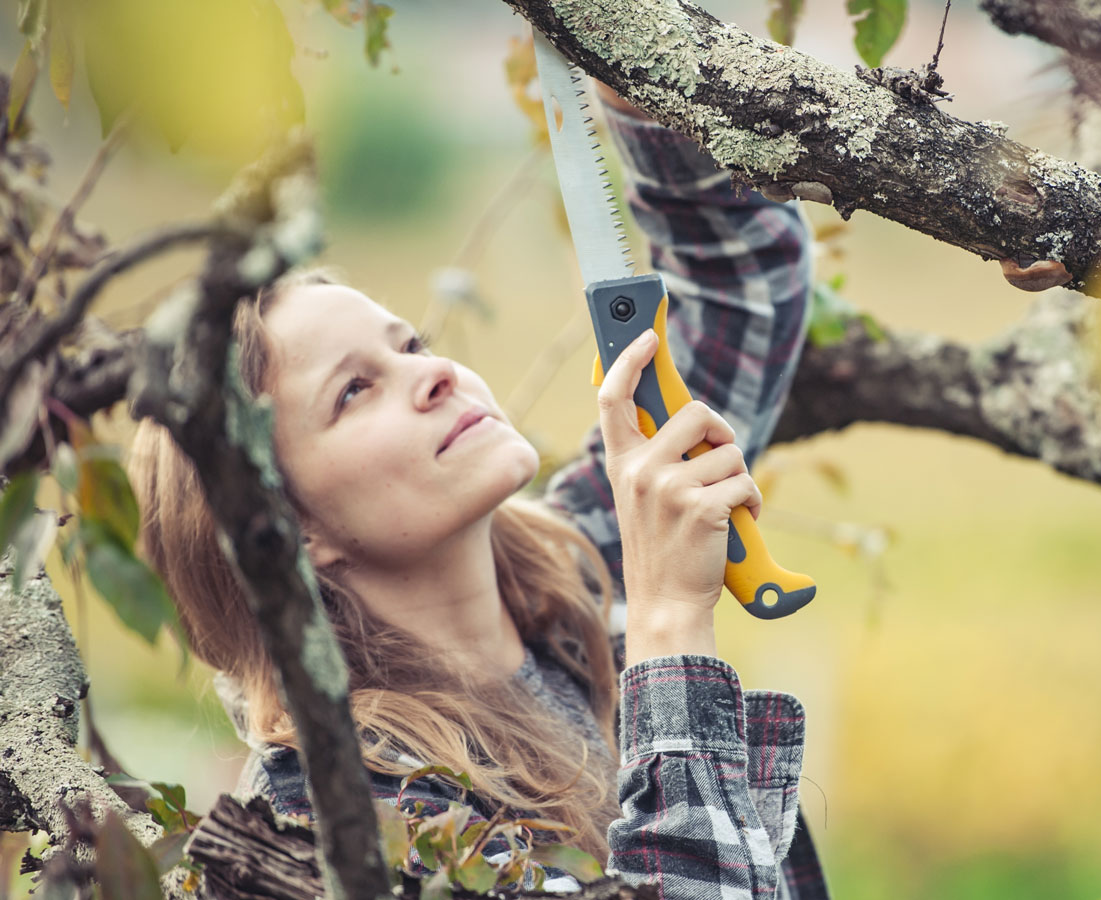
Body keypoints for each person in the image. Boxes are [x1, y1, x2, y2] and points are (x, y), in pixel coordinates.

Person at [126, 85, 827, 898]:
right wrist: (670, 623)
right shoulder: (336, 829)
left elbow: (742, 291)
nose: (431, 374)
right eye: (355, 390)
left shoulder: (577, 575)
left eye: (410, 344)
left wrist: (635, 81)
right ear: (281, 529)